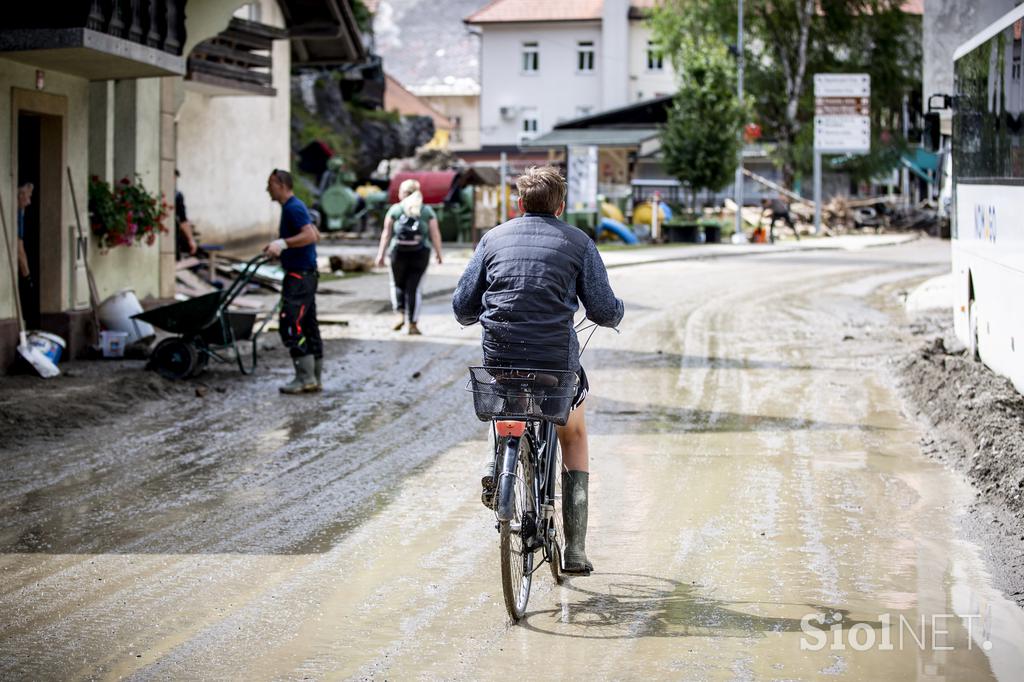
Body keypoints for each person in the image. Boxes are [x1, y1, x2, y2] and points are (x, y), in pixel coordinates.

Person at [452, 166, 624, 575]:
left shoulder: (492, 239)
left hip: (502, 358)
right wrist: (615, 314)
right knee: (574, 431)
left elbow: (462, 307)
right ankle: (577, 550)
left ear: (519, 203)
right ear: (561, 207)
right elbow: (601, 308)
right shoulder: (578, 242)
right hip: (553, 365)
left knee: (505, 399)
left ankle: (497, 467)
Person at [263, 169, 323, 394]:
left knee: (290, 325)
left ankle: (305, 377)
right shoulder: (296, 206)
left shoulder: (292, 208)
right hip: (306, 274)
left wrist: (283, 244)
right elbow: (315, 233)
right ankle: (314, 377)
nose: (267, 189)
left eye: (270, 184)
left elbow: (309, 235)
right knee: (308, 325)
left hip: (299, 276)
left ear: (280, 184)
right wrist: (278, 246)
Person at [375, 179, 443, 335]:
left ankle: (399, 313)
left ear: (403, 193)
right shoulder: (426, 210)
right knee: (415, 289)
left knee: (397, 284)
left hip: (398, 252)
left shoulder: (396, 209)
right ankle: (412, 324)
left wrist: (380, 255)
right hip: (421, 253)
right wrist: (439, 254)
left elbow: (386, 233)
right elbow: (435, 233)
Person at [16, 182, 36, 328]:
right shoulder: (16, 215)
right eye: (28, 197)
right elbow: (19, 247)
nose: (29, 202)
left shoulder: (20, 214)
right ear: (19, 195)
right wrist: (27, 275)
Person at [174, 169, 197, 259]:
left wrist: (190, 239)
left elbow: (183, 220)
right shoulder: (176, 195)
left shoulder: (177, 195)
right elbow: (183, 220)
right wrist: (191, 240)